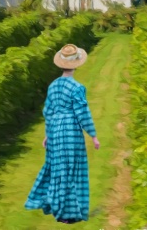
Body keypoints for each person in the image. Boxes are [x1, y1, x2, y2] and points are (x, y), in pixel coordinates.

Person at [25, 43, 101, 224]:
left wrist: (48, 134)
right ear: (76, 64)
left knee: (58, 169)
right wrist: (93, 135)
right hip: (71, 131)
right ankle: (68, 213)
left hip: (56, 130)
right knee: (72, 170)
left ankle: (58, 206)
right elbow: (82, 113)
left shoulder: (53, 86)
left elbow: (48, 112)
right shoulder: (77, 87)